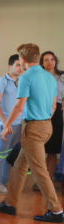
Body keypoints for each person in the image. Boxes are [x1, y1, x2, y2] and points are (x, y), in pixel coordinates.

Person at [0, 44, 64, 223]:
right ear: (38, 57)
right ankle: (10, 204)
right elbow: (54, 106)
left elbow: (19, 106)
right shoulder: (50, 77)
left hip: (34, 129)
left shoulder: (26, 78)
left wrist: (6, 125)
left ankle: (56, 211)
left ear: (23, 60)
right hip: (47, 126)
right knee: (20, 166)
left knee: (39, 171)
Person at [0, 55, 23, 194]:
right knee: (1, 154)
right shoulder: (1, 82)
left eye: (22, 65)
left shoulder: (22, 82)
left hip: (19, 124)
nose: (20, 68)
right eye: (17, 65)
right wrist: (5, 122)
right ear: (10, 66)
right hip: (5, 125)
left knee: (12, 155)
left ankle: (5, 181)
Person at [39, 51, 64, 189]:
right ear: (42, 62)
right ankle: (40, 181)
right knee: (39, 149)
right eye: (46, 59)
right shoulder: (38, 76)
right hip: (41, 111)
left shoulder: (62, 76)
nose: (50, 62)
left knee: (52, 149)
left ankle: (48, 181)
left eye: (52, 59)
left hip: (57, 113)